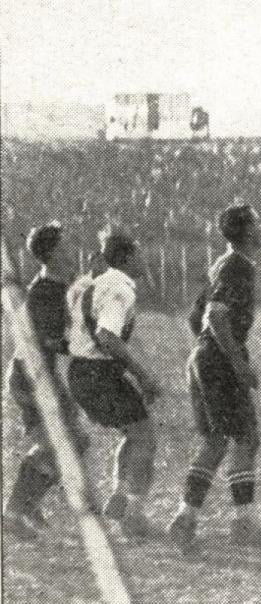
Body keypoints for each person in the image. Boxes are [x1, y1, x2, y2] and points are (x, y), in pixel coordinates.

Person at [168, 204, 261, 554]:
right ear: (248, 231)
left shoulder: (222, 263)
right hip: (218, 360)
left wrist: (208, 350)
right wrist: (235, 361)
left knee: (218, 441)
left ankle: (185, 519)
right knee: (246, 439)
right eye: (258, 222)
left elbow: (195, 316)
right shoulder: (237, 266)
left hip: (204, 357)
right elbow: (215, 314)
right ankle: (243, 524)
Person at [66, 228, 161, 541]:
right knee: (145, 435)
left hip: (80, 371)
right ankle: (134, 514)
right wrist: (142, 374)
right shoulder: (120, 288)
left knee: (132, 432)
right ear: (127, 257)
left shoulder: (91, 283)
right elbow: (107, 336)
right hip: (99, 372)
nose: (143, 259)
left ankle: (119, 499)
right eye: (138, 253)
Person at [3, 222, 89, 540]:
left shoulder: (55, 286)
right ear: (51, 253)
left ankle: (26, 503)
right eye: (65, 247)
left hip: (40, 377)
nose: (71, 252)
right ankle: (14, 511)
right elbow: (50, 340)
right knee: (68, 442)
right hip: (32, 379)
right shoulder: (44, 291)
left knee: (72, 441)